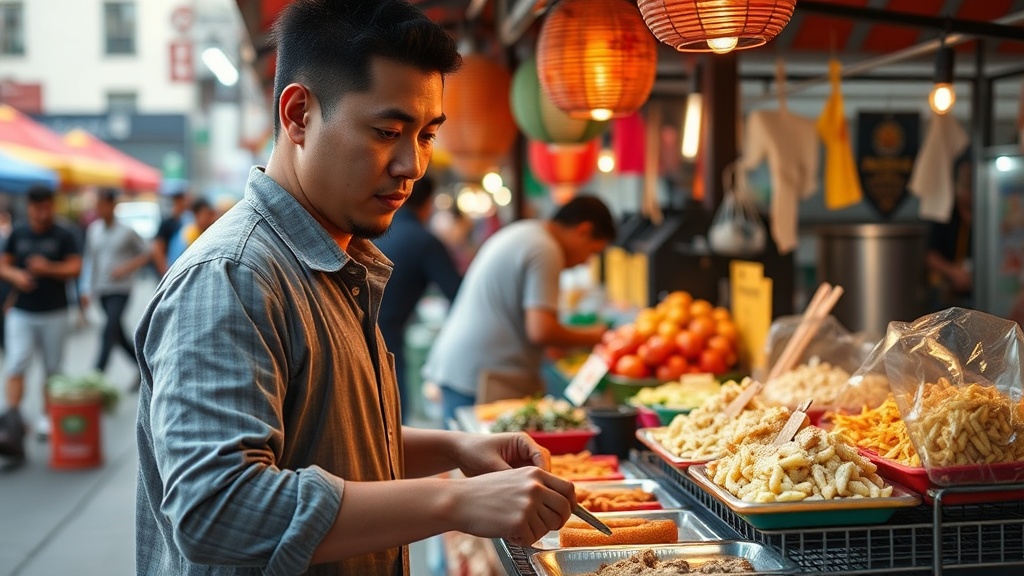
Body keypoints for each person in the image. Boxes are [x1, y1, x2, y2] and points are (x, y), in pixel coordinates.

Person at [134, 2, 574, 575]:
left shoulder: (331, 259)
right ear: (298, 116)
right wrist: (456, 500)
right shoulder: (234, 275)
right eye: (387, 131)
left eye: (426, 135)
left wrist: (454, 450)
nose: (411, 165)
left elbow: (325, 438)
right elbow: (218, 509)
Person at [423, 195, 616, 423]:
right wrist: (599, 336)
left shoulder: (528, 233)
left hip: (464, 368)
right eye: (592, 252)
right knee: (473, 454)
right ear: (583, 231)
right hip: (479, 377)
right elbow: (541, 330)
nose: (586, 262)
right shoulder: (546, 249)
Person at [0, 186, 82, 457]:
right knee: (17, 363)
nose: (42, 212)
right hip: (22, 310)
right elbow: (4, 264)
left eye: (46, 206)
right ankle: (12, 421)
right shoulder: (19, 233)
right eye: (37, 207)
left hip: (55, 311)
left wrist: (48, 268)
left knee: (52, 368)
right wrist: (17, 277)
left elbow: (75, 267)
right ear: (30, 207)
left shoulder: (64, 233)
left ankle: (48, 417)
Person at [374, 174, 461, 421]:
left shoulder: (377, 231)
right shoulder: (424, 240)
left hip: (357, 330)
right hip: (386, 338)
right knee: (391, 420)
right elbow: (457, 294)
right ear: (428, 203)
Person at [81, 189, 150, 378]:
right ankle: (143, 368)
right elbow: (90, 261)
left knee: (109, 330)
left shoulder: (127, 232)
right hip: (102, 289)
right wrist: (86, 289)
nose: (100, 209)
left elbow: (146, 254)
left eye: (103, 205)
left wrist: (127, 267)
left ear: (112, 206)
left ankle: (96, 375)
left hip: (121, 289)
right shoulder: (93, 230)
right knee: (117, 334)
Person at [925, 157, 973, 310]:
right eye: (964, 183)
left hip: (984, 292)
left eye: (971, 184)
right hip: (949, 293)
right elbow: (930, 256)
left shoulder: (990, 213)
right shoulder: (945, 213)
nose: (968, 190)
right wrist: (954, 273)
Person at [165, 197, 218, 266]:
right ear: (196, 215)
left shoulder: (204, 231)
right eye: (205, 214)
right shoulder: (189, 233)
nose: (209, 218)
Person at [150, 190, 189, 277]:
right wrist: (165, 270)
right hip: (171, 268)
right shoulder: (167, 223)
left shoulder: (187, 221)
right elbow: (157, 247)